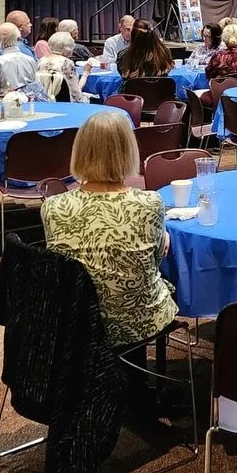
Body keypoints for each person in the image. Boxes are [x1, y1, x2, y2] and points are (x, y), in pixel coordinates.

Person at [40, 112, 177, 349]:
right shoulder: (149, 203)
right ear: (129, 151)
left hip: (76, 323)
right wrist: (161, 237)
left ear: (79, 151)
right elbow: (153, 264)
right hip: (139, 321)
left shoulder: (52, 207)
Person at [0, 24, 38, 99]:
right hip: (29, 104)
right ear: (19, 38)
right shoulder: (31, 60)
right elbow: (37, 90)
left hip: (2, 105)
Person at [36, 31, 92, 102]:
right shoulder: (67, 63)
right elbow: (76, 94)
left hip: (44, 101)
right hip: (66, 103)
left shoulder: (41, 60)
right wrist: (86, 73)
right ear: (69, 48)